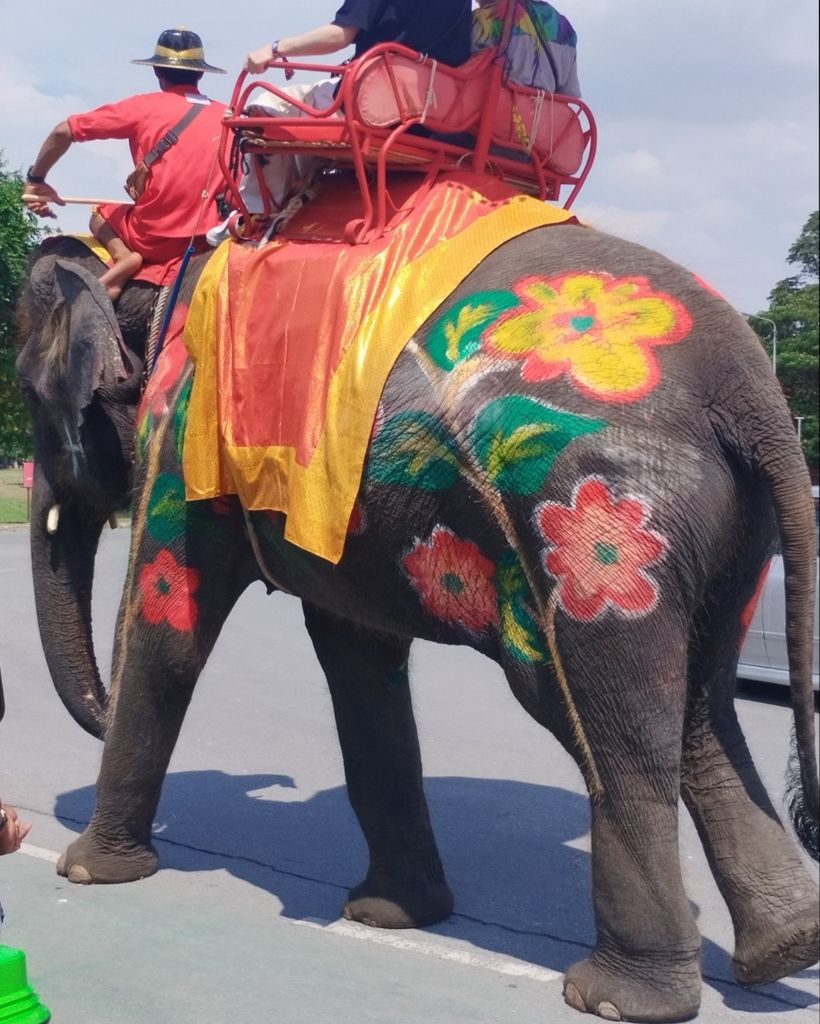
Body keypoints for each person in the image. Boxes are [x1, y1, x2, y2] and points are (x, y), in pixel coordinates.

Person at [23, 28, 229, 302]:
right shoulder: (228, 116)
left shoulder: (144, 106)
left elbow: (63, 131)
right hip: (209, 239)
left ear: (157, 71)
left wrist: (36, 179)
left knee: (100, 213)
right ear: (201, 73)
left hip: (155, 238)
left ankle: (124, 257)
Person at [471, 0, 580, 96]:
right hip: (544, 111)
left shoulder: (485, 19)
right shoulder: (565, 31)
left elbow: (468, 75)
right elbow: (569, 96)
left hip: (497, 108)